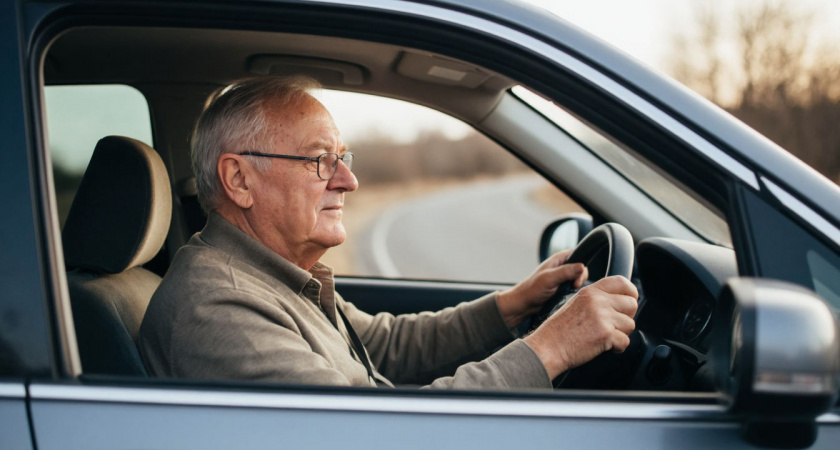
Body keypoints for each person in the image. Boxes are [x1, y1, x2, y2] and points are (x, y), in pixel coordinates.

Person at [138, 76, 638, 389]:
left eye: (343, 158)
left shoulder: (273, 276)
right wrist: (549, 349)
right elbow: (375, 436)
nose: (348, 180)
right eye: (319, 160)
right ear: (239, 180)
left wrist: (515, 304)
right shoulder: (217, 308)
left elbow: (387, 346)